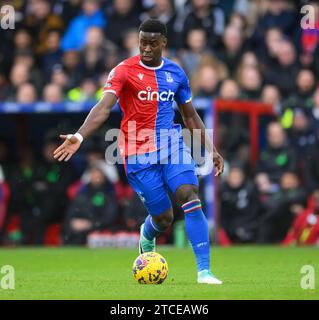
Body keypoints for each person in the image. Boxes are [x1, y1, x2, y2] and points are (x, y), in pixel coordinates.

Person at [53, 19, 224, 284]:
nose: (145, 48)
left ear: (163, 43)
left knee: (189, 194)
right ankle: (147, 235)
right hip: (137, 153)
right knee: (164, 217)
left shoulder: (176, 74)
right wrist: (79, 135)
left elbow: (189, 116)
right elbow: (103, 107)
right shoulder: (123, 71)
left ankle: (204, 271)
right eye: (142, 42)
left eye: (152, 43)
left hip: (171, 144)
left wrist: (211, 149)